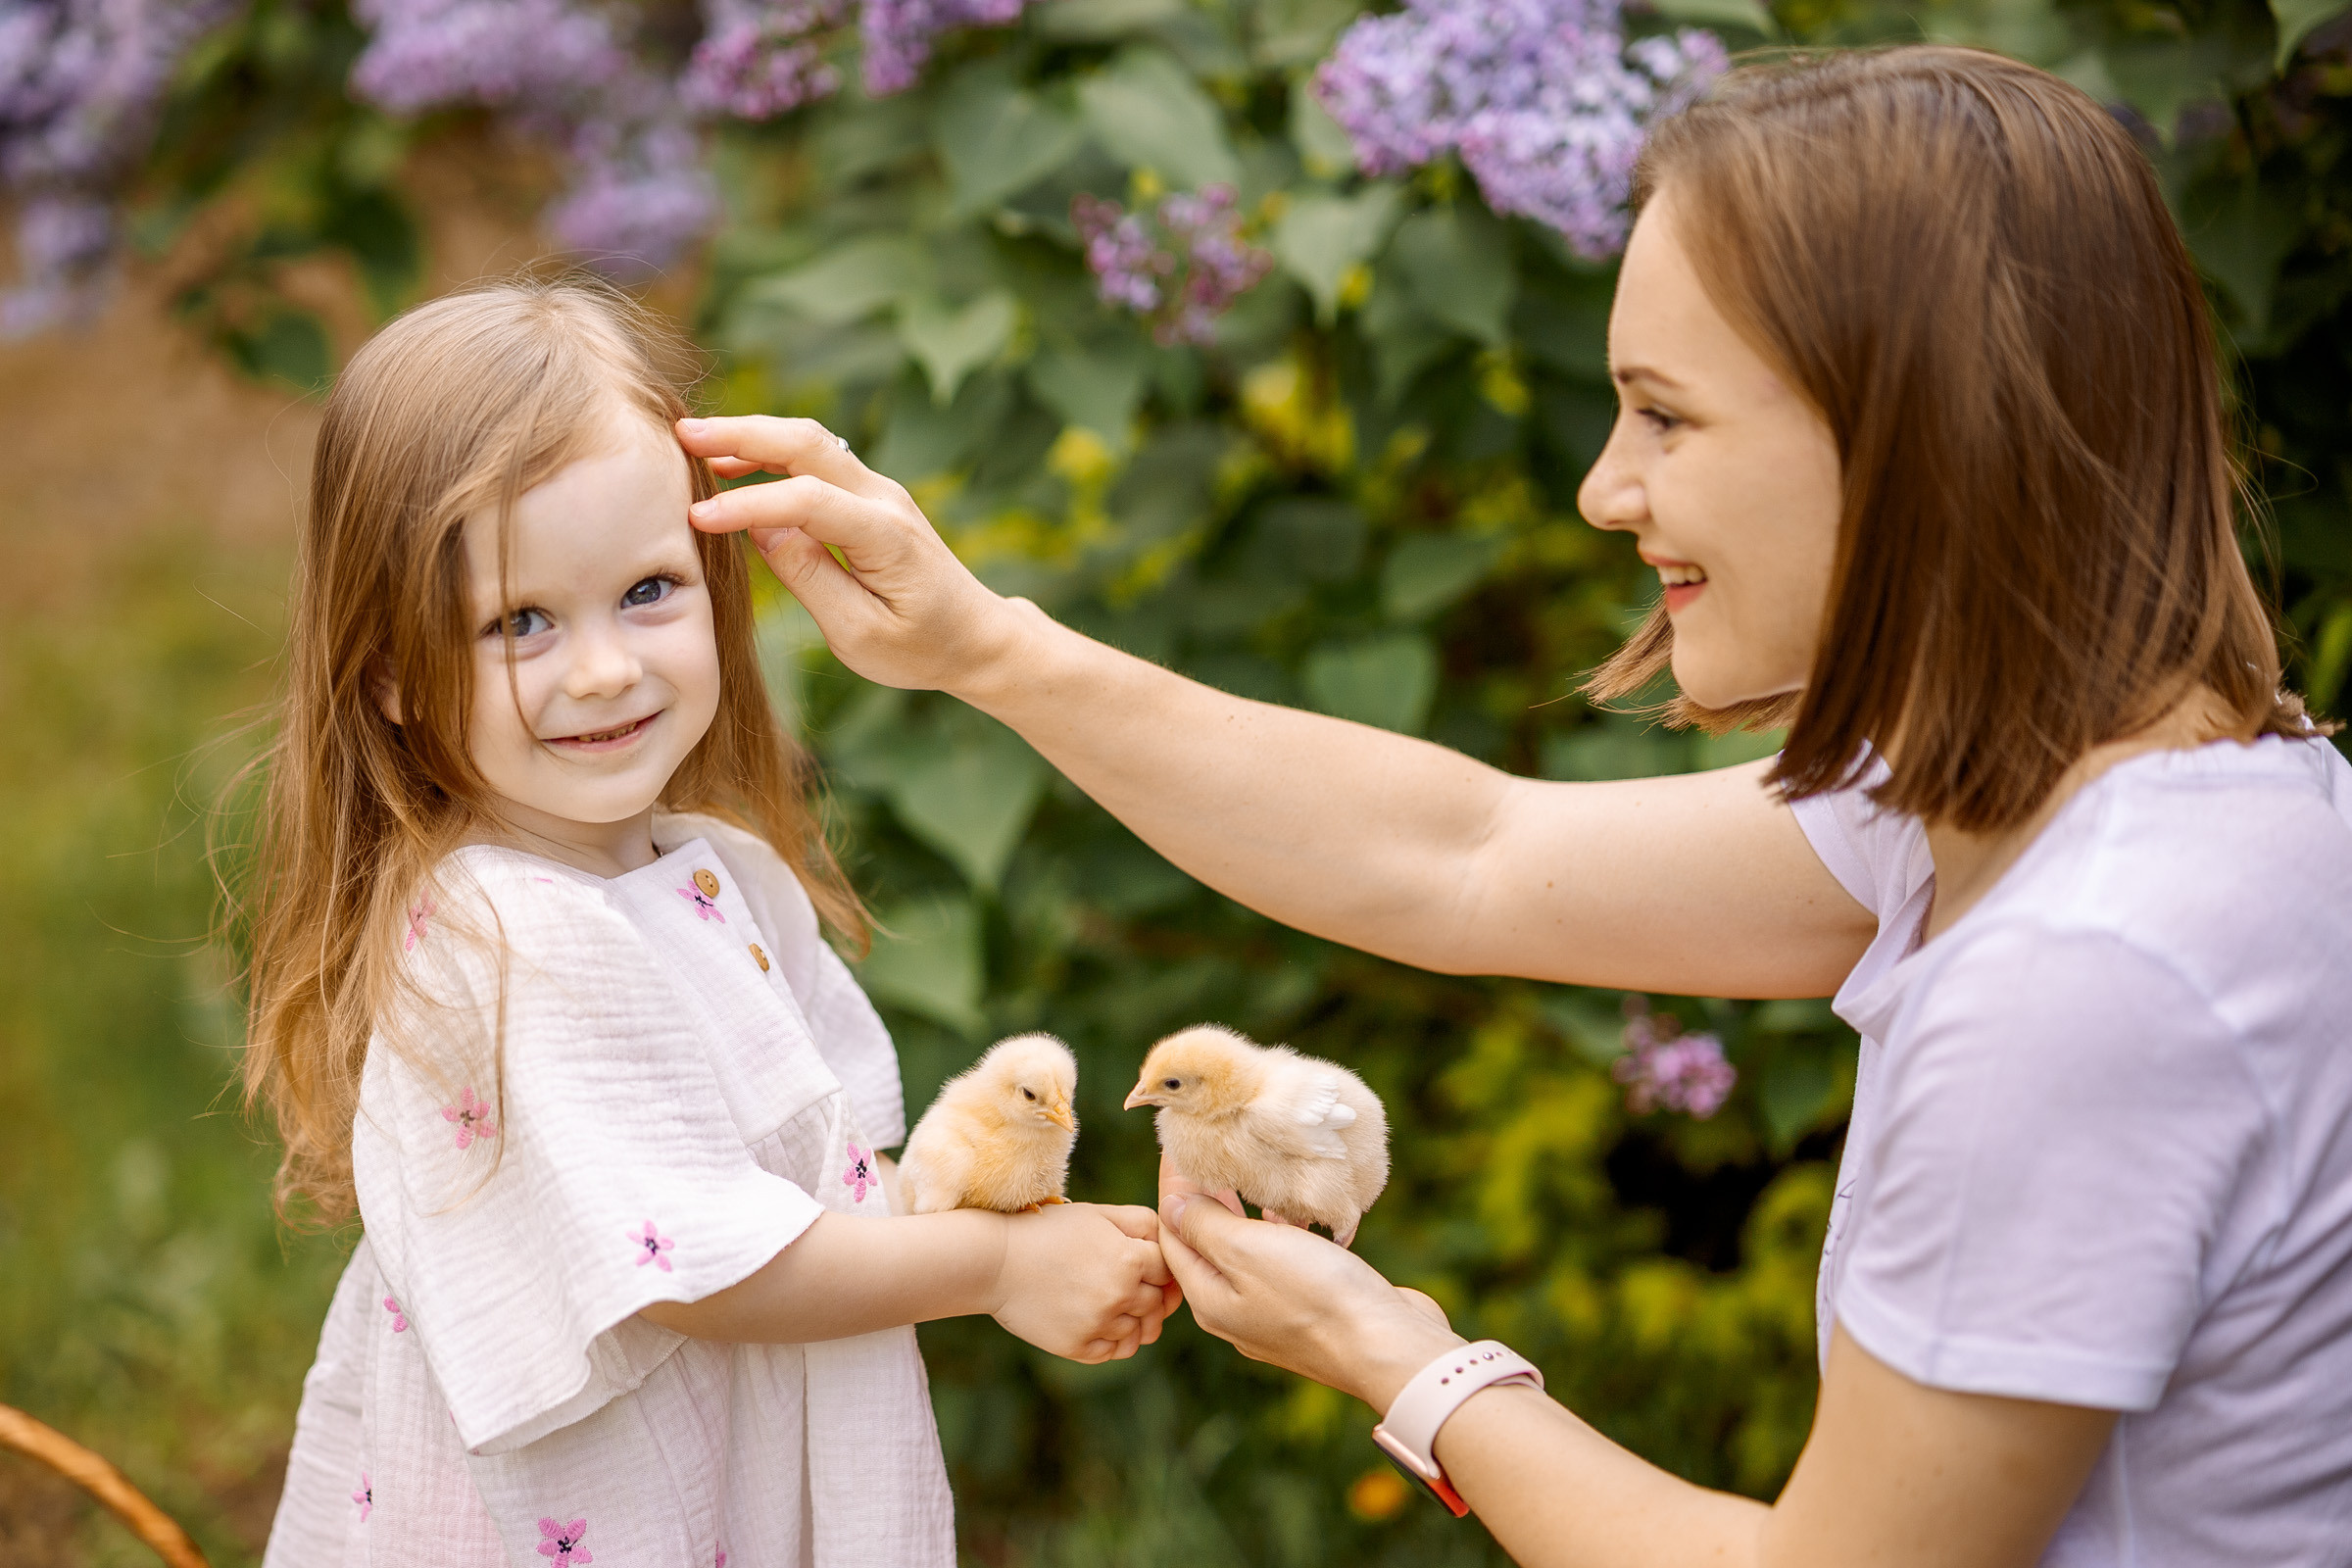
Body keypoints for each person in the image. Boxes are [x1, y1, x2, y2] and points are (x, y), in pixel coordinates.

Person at [675, 44, 2352, 1568]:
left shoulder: (2085, 979)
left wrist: (1404, 1360)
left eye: (1667, 416)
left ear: (1921, 437)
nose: (1604, 490)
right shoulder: (2161, 799)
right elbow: (1467, 858)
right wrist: (987, 647)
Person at [241, 276, 1174, 1567]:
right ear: (393, 668)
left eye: (646, 591)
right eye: (520, 621)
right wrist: (998, 1272)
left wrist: (1010, 1213)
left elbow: (824, 1185)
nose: (607, 668)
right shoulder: (509, 936)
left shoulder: (708, 869)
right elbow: (705, 1270)